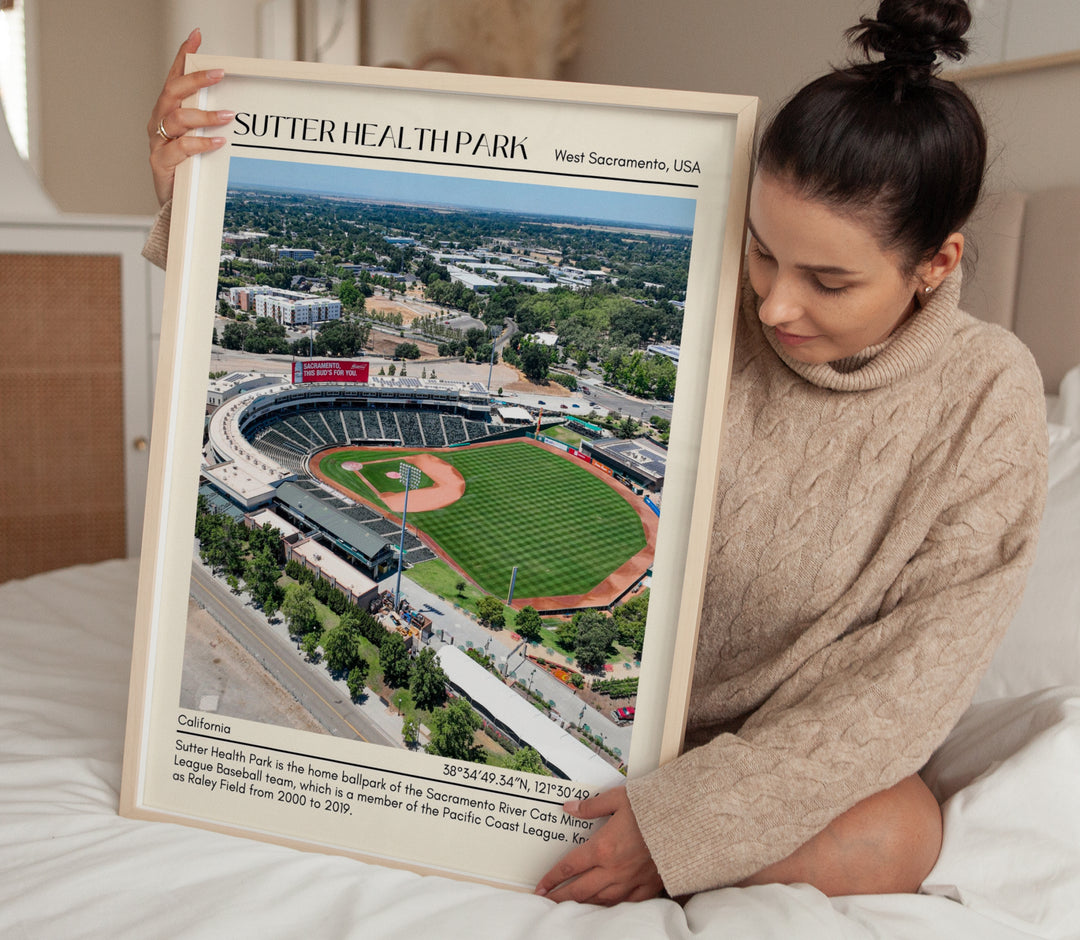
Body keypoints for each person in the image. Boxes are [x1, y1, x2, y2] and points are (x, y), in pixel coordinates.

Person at [145, 1, 1047, 906]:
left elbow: (907, 691)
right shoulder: (711, 296)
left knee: (899, 834)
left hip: (772, 760)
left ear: (936, 263)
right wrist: (196, 196)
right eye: (765, 254)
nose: (774, 305)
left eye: (830, 280)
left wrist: (686, 825)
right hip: (612, 731)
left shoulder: (987, 396)